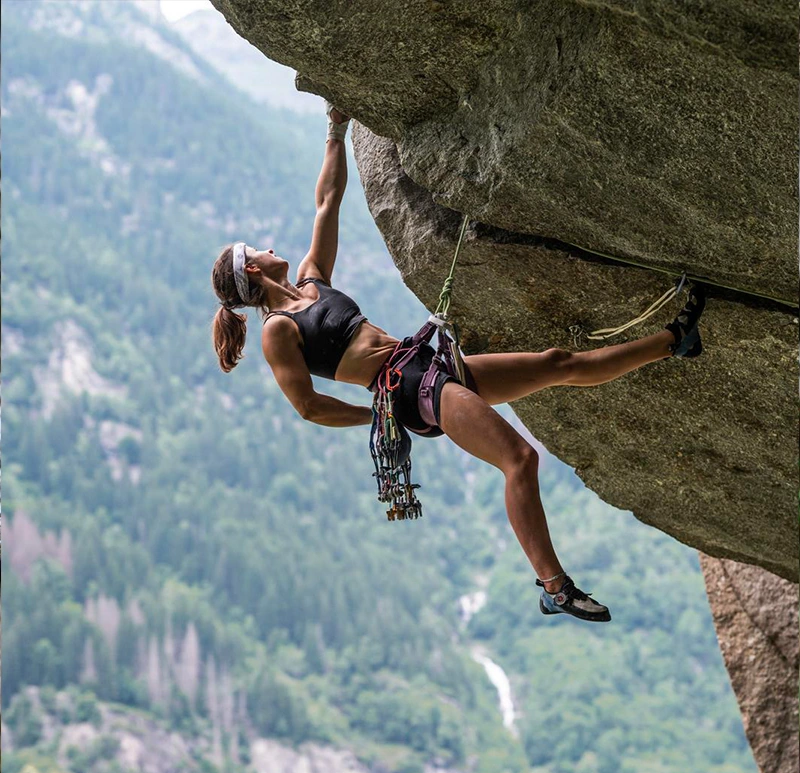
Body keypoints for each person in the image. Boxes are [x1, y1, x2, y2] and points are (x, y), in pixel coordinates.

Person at [211, 104, 706, 624]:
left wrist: (336, 130)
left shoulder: (312, 280)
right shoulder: (278, 332)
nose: (270, 247)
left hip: (422, 364)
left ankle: (676, 340)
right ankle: (554, 587)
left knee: (558, 362)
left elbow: (328, 200)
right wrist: (378, 414)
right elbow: (308, 407)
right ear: (252, 269)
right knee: (520, 459)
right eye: (257, 249)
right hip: (405, 387)